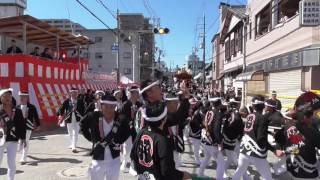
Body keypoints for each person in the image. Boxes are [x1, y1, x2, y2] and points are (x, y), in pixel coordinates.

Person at [130, 101, 191, 180]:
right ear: (164, 119)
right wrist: (183, 175)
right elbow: (167, 172)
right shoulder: (162, 140)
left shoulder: (141, 132)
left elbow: (133, 155)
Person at [80, 94, 130, 180]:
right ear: (101, 106)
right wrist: (92, 139)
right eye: (105, 106)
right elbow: (82, 125)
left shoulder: (121, 119)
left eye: (111, 106)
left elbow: (127, 132)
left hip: (114, 159)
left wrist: (119, 141)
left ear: (115, 106)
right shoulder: (93, 116)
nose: (108, 109)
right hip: (98, 158)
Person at [274, 92, 320, 179]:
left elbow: (278, 138)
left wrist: (278, 148)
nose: (316, 117)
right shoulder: (311, 130)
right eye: (315, 113)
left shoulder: (289, 124)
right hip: (307, 174)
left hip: (291, 169)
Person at [232, 95, 273, 180]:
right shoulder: (262, 118)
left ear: (253, 106)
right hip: (255, 152)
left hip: (244, 150)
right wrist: (274, 149)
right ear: (263, 106)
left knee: (239, 171)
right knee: (268, 177)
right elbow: (261, 138)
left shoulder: (250, 115)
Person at [0, 88, 26, 180]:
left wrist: (23, 138)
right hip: (0, 139)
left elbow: (22, 125)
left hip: (13, 139)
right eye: (5, 96)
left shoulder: (17, 111)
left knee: (12, 163)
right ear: (1, 98)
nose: (8, 98)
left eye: (9, 96)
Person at [198, 97, 226, 179]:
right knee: (221, 162)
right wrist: (219, 142)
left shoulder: (208, 111)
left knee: (207, 157)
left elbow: (203, 124)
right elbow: (217, 130)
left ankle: (200, 173)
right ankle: (219, 178)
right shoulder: (218, 113)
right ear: (219, 104)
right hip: (212, 141)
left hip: (205, 138)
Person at [119, 86, 142, 173]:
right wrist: (129, 122)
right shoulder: (126, 104)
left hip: (137, 129)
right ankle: (124, 162)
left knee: (136, 147)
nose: (138, 94)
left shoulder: (139, 105)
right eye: (136, 93)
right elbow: (121, 116)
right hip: (127, 129)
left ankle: (133, 165)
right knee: (127, 146)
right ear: (132, 94)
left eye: (138, 93)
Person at [57, 87, 85, 153]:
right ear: (70, 93)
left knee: (76, 133)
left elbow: (84, 109)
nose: (74, 94)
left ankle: (73, 147)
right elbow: (61, 108)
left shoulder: (80, 101)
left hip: (78, 118)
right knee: (70, 133)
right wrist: (60, 115)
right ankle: (72, 144)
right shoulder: (67, 101)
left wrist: (82, 116)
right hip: (69, 118)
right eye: (73, 93)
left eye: (76, 93)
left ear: (77, 93)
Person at [17, 91, 40, 164]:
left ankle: (24, 158)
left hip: (28, 126)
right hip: (19, 127)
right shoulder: (17, 107)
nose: (20, 98)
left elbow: (36, 116)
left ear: (26, 97)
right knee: (20, 141)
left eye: (22, 96)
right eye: (20, 96)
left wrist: (38, 125)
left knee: (26, 141)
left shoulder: (32, 107)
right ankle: (22, 151)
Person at [189, 100, 209, 165]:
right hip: (195, 133)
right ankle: (197, 160)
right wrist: (202, 126)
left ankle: (202, 159)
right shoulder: (198, 112)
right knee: (196, 147)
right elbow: (195, 123)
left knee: (200, 146)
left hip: (196, 132)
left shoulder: (197, 112)